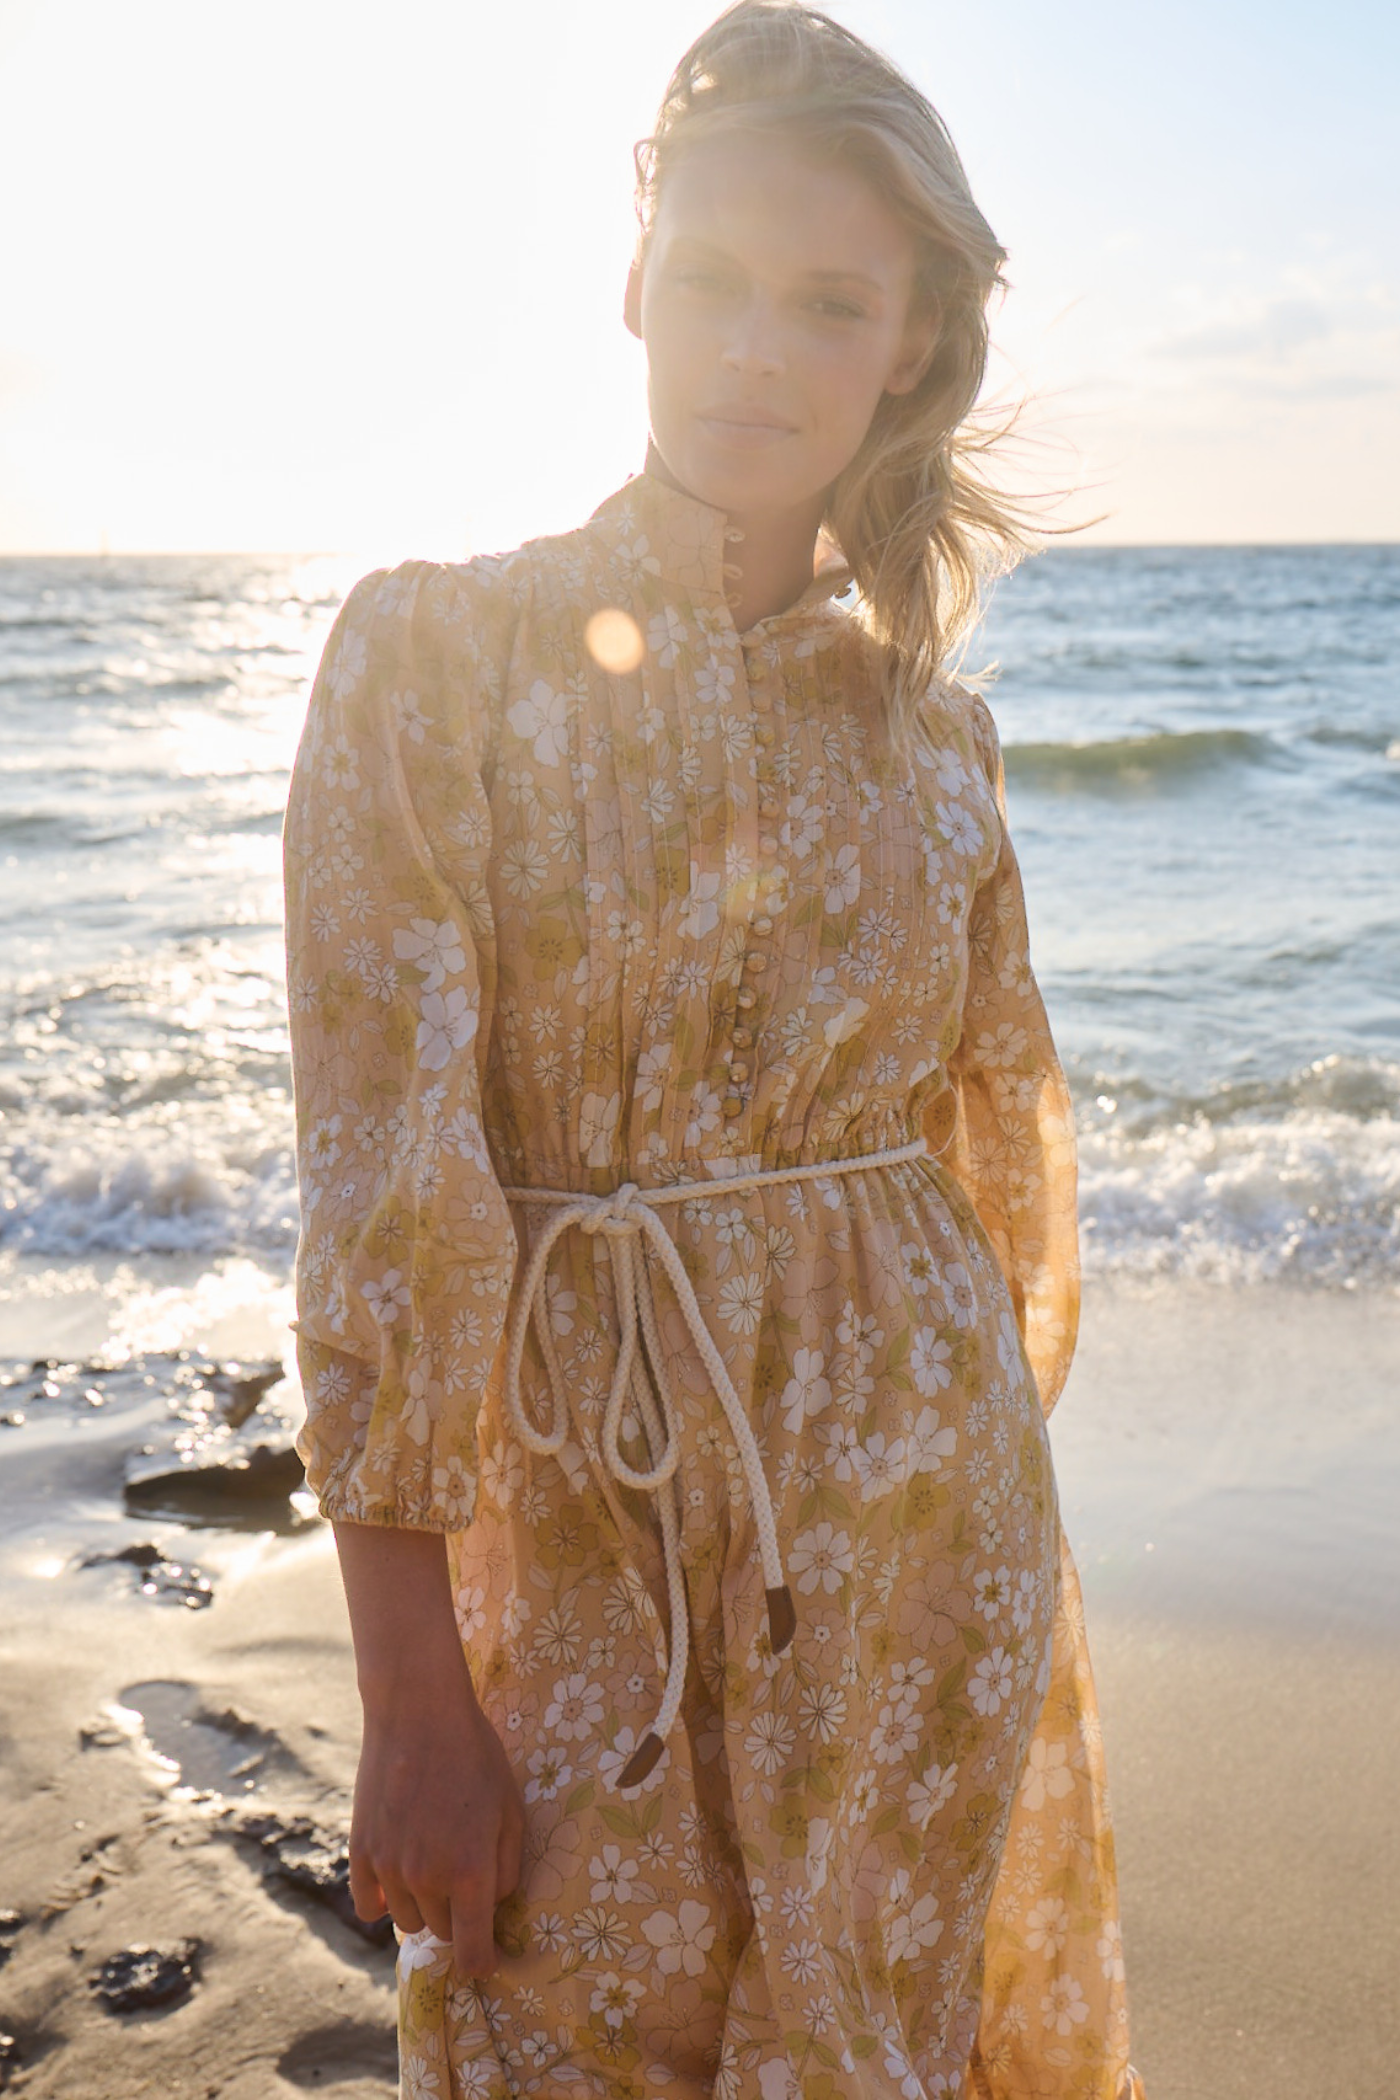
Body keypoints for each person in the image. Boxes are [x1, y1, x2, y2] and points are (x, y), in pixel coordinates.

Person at [282, 5, 1146, 2095]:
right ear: (635, 285)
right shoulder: (436, 655)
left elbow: (995, 1184)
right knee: (561, 2031)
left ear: (910, 349)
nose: (759, 347)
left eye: (829, 301)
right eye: (716, 283)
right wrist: (410, 1692)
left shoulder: (934, 736)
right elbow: (385, 1177)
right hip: (587, 1538)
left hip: (921, 1553)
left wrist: (951, 1510)